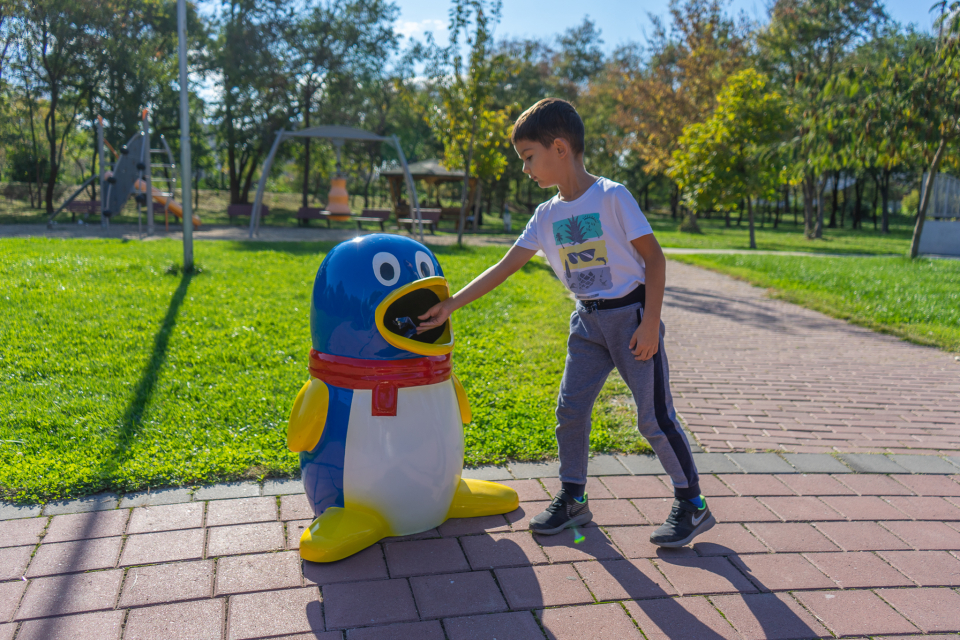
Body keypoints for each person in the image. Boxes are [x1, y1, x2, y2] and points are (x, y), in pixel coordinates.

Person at [417, 98, 713, 547]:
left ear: (559, 148)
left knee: (653, 418)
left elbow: (654, 259)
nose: (526, 169)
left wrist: (650, 322)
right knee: (570, 411)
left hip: (631, 320)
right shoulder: (546, 215)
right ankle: (573, 497)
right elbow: (503, 266)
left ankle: (692, 503)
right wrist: (452, 303)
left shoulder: (612, 196)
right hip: (588, 325)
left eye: (528, 157)